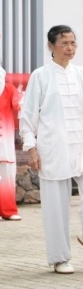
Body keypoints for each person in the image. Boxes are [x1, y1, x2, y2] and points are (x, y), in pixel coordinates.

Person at [19, 26, 83, 274]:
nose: (70, 48)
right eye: (64, 43)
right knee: (56, 206)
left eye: (73, 42)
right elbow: (28, 117)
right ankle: (60, 257)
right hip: (53, 148)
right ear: (51, 46)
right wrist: (31, 148)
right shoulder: (40, 76)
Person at [0, 58, 22, 220]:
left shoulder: (8, 89)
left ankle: (8, 210)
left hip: (5, 141)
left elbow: (20, 104)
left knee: (7, 177)